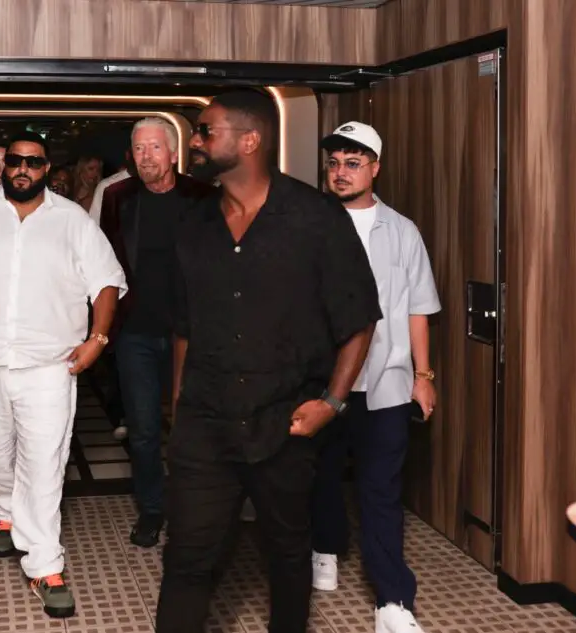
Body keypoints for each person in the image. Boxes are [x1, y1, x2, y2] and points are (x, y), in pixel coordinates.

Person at [155, 90, 382, 633]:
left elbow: (360, 318)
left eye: (207, 131)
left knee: (286, 553)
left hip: (286, 421)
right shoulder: (192, 225)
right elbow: (184, 327)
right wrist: (179, 402)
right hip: (205, 423)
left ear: (250, 140)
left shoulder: (316, 218)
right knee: (187, 556)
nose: (196, 141)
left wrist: (330, 403)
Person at [0, 131, 126, 618]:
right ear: (3, 166)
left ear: (47, 169)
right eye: (15, 161)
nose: (23, 169)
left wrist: (97, 339)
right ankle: (6, 514)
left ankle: (45, 564)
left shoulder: (71, 220)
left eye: (33, 162)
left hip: (49, 363)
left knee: (44, 461)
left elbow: (107, 280)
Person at [311, 121, 440, 633]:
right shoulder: (311, 223)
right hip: (321, 380)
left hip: (385, 380)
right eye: (335, 163)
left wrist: (423, 375)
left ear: (375, 168)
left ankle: (393, 600)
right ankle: (325, 547)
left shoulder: (402, 231)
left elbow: (417, 310)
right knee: (319, 475)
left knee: (380, 489)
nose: (340, 173)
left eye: (353, 163)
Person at [99, 117, 215, 548]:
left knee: (193, 427)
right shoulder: (117, 197)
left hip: (195, 334)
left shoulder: (204, 198)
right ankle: (151, 509)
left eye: (155, 148)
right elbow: (105, 263)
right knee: (144, 430)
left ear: (173, 153)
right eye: (139, 149)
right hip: (136, 335)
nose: (147, 157)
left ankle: (194, 509)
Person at [89, 149, 133, 225]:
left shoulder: (157, 186)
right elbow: (94, 223)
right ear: (128, 155)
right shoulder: (107, 185)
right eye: (138, 149)